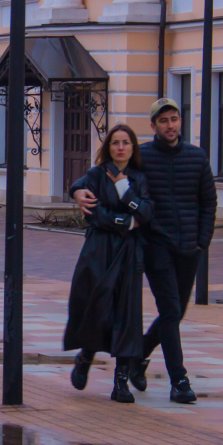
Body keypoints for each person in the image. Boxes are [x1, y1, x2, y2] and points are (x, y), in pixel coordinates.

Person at [72, 98, 217, 404]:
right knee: (171, 312)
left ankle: (138, 358)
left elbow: (208, 202)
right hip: (155, 246)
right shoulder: (143, 157)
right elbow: (100, 173)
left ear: (180, 121)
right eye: (163, 121)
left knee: (174, 313)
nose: (170, 125)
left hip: (189, 248)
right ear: (153, 126)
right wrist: (77, 190)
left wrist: (202, 241)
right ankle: (179, 382)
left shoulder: (197, 157)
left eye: (174, 119)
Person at [64, 124, 153, 404]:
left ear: (133, 147)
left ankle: (121, 382)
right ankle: (85, 358)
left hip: (129, 253)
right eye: (115, 142)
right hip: (99, 250)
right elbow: (94, 213)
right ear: (108, 147)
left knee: (127, 314)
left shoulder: (139, 178)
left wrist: (125, 191)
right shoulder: (96, 175)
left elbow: (146, 212)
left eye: (126, 142)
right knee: (97, 307)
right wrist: (125, 221)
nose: (121, 147)